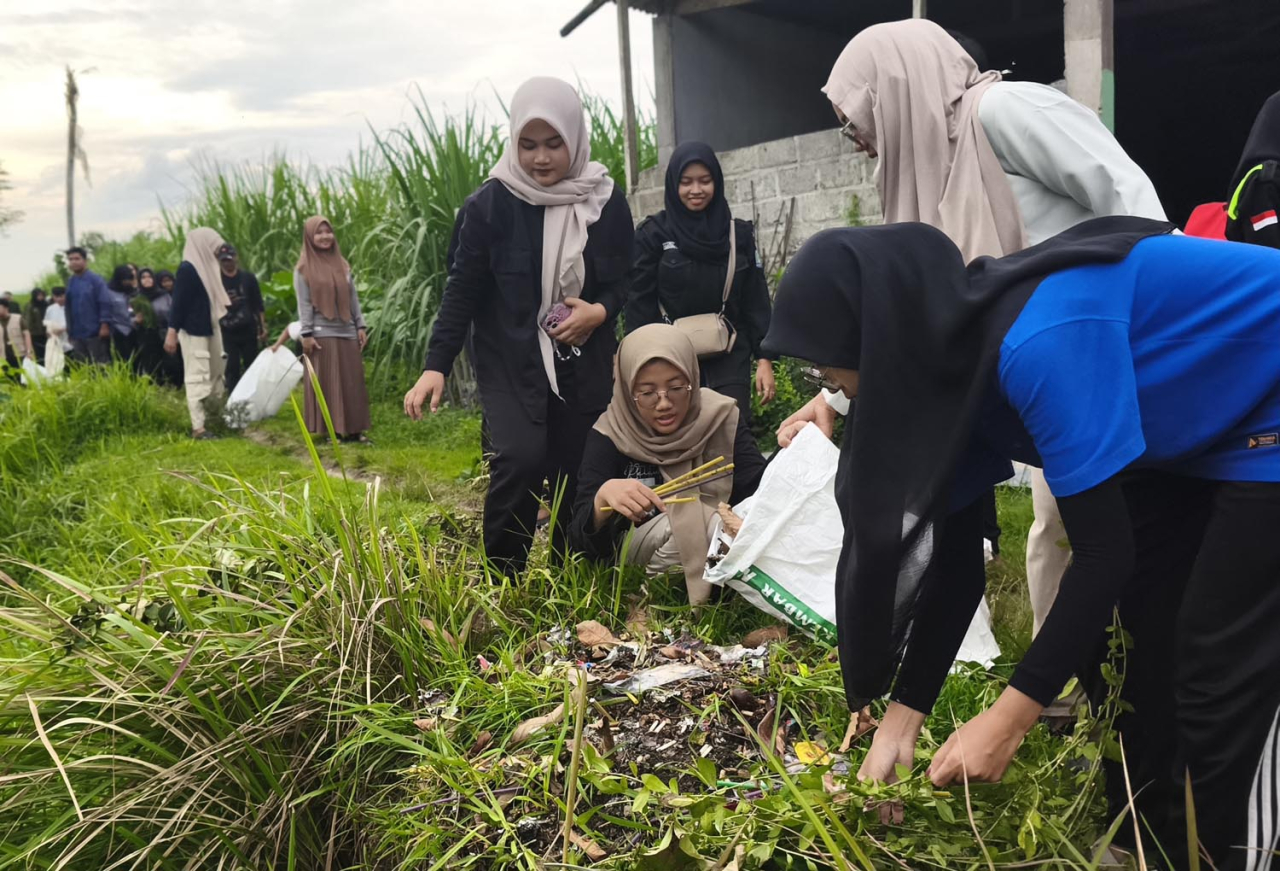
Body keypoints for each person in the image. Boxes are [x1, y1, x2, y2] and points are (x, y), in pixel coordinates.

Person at [763, 217, 1280, 871]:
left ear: (880, 337)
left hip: (1267, 394)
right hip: (1189, 426)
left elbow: (1102, 554)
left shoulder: (1037, 343)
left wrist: (1010, 718)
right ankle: (1151, 844)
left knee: (1218, 667)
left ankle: (1234, 854)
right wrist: (903, 717)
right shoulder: (953, 362)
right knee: (1131, 647)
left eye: (826, 364)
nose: (831, 383)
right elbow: (956, 566)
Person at [780, 19, 1167, 673]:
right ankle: (1063, 689)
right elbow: (915, 318)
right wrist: (835, 399)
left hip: (1107, 351)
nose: (860, 143)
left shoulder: (1004, 112)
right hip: (1032, 381)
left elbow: (1127, 199)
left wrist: (1161, 323)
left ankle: (1135, 692)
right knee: (1057, 528)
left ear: (893, 85)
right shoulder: (914, 175)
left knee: (1123, 529)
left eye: (856, 118)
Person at [404, 76, 634, 576]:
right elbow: (461, 290)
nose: (541, 158)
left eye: (554, 143)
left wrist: (598, 312)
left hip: (583, 357)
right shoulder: (489, 206)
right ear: (513, 142)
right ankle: (503, 577)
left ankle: (573, 573)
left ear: (574, 139)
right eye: (527, 145)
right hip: (511, 360)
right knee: (521, 458)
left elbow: (624, 279)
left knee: (580, 464)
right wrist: (435, 366)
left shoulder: (603, 200)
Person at [568, 324, 766, 603]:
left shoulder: (720, 418)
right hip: (643, 551)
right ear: (627, 391)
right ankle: (651, 599)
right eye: (647, 393)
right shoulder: (611, 434)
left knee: (713, 523)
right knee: (691, 521)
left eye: (676, 388)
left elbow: (759, 493)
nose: (664, 404)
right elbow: (580, 541)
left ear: (693, 379)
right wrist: (602, 499)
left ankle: (703, 597)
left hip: (719, 541)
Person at [626, 142, 775, 420]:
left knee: (732, 430)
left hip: (729, 351)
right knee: (679, 436)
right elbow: (638, 303)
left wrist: (765, 359)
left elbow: (756, 300)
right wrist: (638, 365)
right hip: (669, 358)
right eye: (686, 182)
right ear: (673, 185)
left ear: (716, 182)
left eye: (705, 181)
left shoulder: (738, 235)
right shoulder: (653, 234)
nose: (696, 190)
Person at [294, 216, 371, 441]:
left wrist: (360, 324)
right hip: (321, 333)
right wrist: (306, 334)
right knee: (330, 383)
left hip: (347, 330)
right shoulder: (303, 269)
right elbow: (304, 303)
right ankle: (333, 431)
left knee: (352, 382)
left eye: (328, 231)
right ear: (309, 237)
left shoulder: (343, 264)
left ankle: (355, 431)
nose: (325, 236)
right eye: (318, 233)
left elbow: (353, 297)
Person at [165, 228, 231, 440]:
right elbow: (178, 303)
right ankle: (198, 428)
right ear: (202, 245)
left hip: (210, 327)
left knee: (216, 371)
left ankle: (215, 419)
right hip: (193, 331)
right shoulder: (188, 269)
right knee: (197, 376)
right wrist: (172, 332)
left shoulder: (208, 266)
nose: (216, 251)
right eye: (213, 246)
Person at [215, 243, 266, 392]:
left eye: (230, 259)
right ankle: (234, 402)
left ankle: (254, 397)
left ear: (236, 258)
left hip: (248, 328)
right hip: (227, 331)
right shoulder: (216, 280)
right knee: (232, 368)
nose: (227, 263)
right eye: (224, 260)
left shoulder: (248, 278)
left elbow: (258, 304)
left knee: (252, 364)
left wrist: (263, 327)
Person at [64, 246, 112, 365]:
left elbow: (105, 302)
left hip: (95, 332)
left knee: (100, 365)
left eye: (77, 259)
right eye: (70, 259)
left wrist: (104, 325)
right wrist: (70, 331)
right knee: (83, 365)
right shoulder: (71, 281)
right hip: (77, 333)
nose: (73, 262)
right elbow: (68, 307)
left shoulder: (96, 280)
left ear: (85, 261)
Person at [151, 269, 183, 386]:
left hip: (182, 330)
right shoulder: (158, 297)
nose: (167, 284)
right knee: (170, 360)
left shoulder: (179, 293)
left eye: (169, 280)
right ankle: (174, 383)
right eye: (163, 281)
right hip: (164, 332)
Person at [104, 265, 139, 363]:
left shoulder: (133, 292)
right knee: (122, 359)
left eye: (129, 279)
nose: (127, 282)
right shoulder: (109, 292)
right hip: (118, 331)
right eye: (125, 279)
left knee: (136, 358)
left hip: (135, 329)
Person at [42, 287, 71, 375]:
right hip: (56, 340)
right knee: (58, 363)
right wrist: (49, 332)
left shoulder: (71, 307)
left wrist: (63, 329)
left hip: (70, 339)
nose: (58, 299)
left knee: (71, 361)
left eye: (61, 296)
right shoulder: (50, 309)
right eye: (56, 297)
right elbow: (47, 322)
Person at [0, 296, 28, 377]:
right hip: (3, 355)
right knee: (8, 376)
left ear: (6, 307)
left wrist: (29, 351)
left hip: (19, 353)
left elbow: (26, 334)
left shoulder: (18, 318)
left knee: (22, 376)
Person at [21, 288, 48, 365]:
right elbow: (28, 320)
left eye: (42, 295)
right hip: (36, 334)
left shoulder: (46, 304)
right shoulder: (30, 306)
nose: (41, 297)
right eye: (39, 295)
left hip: (47, 332)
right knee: (39, 353)